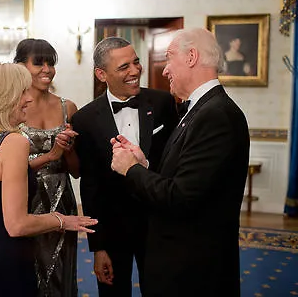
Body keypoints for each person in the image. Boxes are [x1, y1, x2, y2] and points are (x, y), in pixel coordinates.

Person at [110, 28, 250, 297]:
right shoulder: (200, 109)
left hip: (194, 270)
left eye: (170, 58)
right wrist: (145, 165)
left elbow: (180, 198)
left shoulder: (216, 115)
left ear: (192, 57)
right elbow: (186, 180)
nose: (164, 71)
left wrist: (131, 169)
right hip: (181, 262)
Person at [0, 62, 97, 297]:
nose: (29, 99)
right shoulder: (14, 142)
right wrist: (61, 220)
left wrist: (51, 156)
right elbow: (17, 225)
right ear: (3, 97)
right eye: (22, 92)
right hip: (7, 258)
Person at [71, 37, 179, 296]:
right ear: (101, 74)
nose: (135, 71)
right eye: (123, 67)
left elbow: (175, 164)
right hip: (112, 232)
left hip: (158, 228)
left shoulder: (164, 103)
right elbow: (91, 186)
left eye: (136, 62)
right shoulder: (84, 119)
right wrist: (98, 247)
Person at [13, 38, 80, 297]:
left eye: (51, 63)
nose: (47, 69)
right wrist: (51, 153)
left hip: (61, 200)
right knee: (25, 271)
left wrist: (69, 150)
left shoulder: (68, 107)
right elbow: (3, 167)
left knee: (60, 273)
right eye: (38, 62)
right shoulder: (10, 109)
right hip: (23, 199)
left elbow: (76, 170)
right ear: (20, 66)